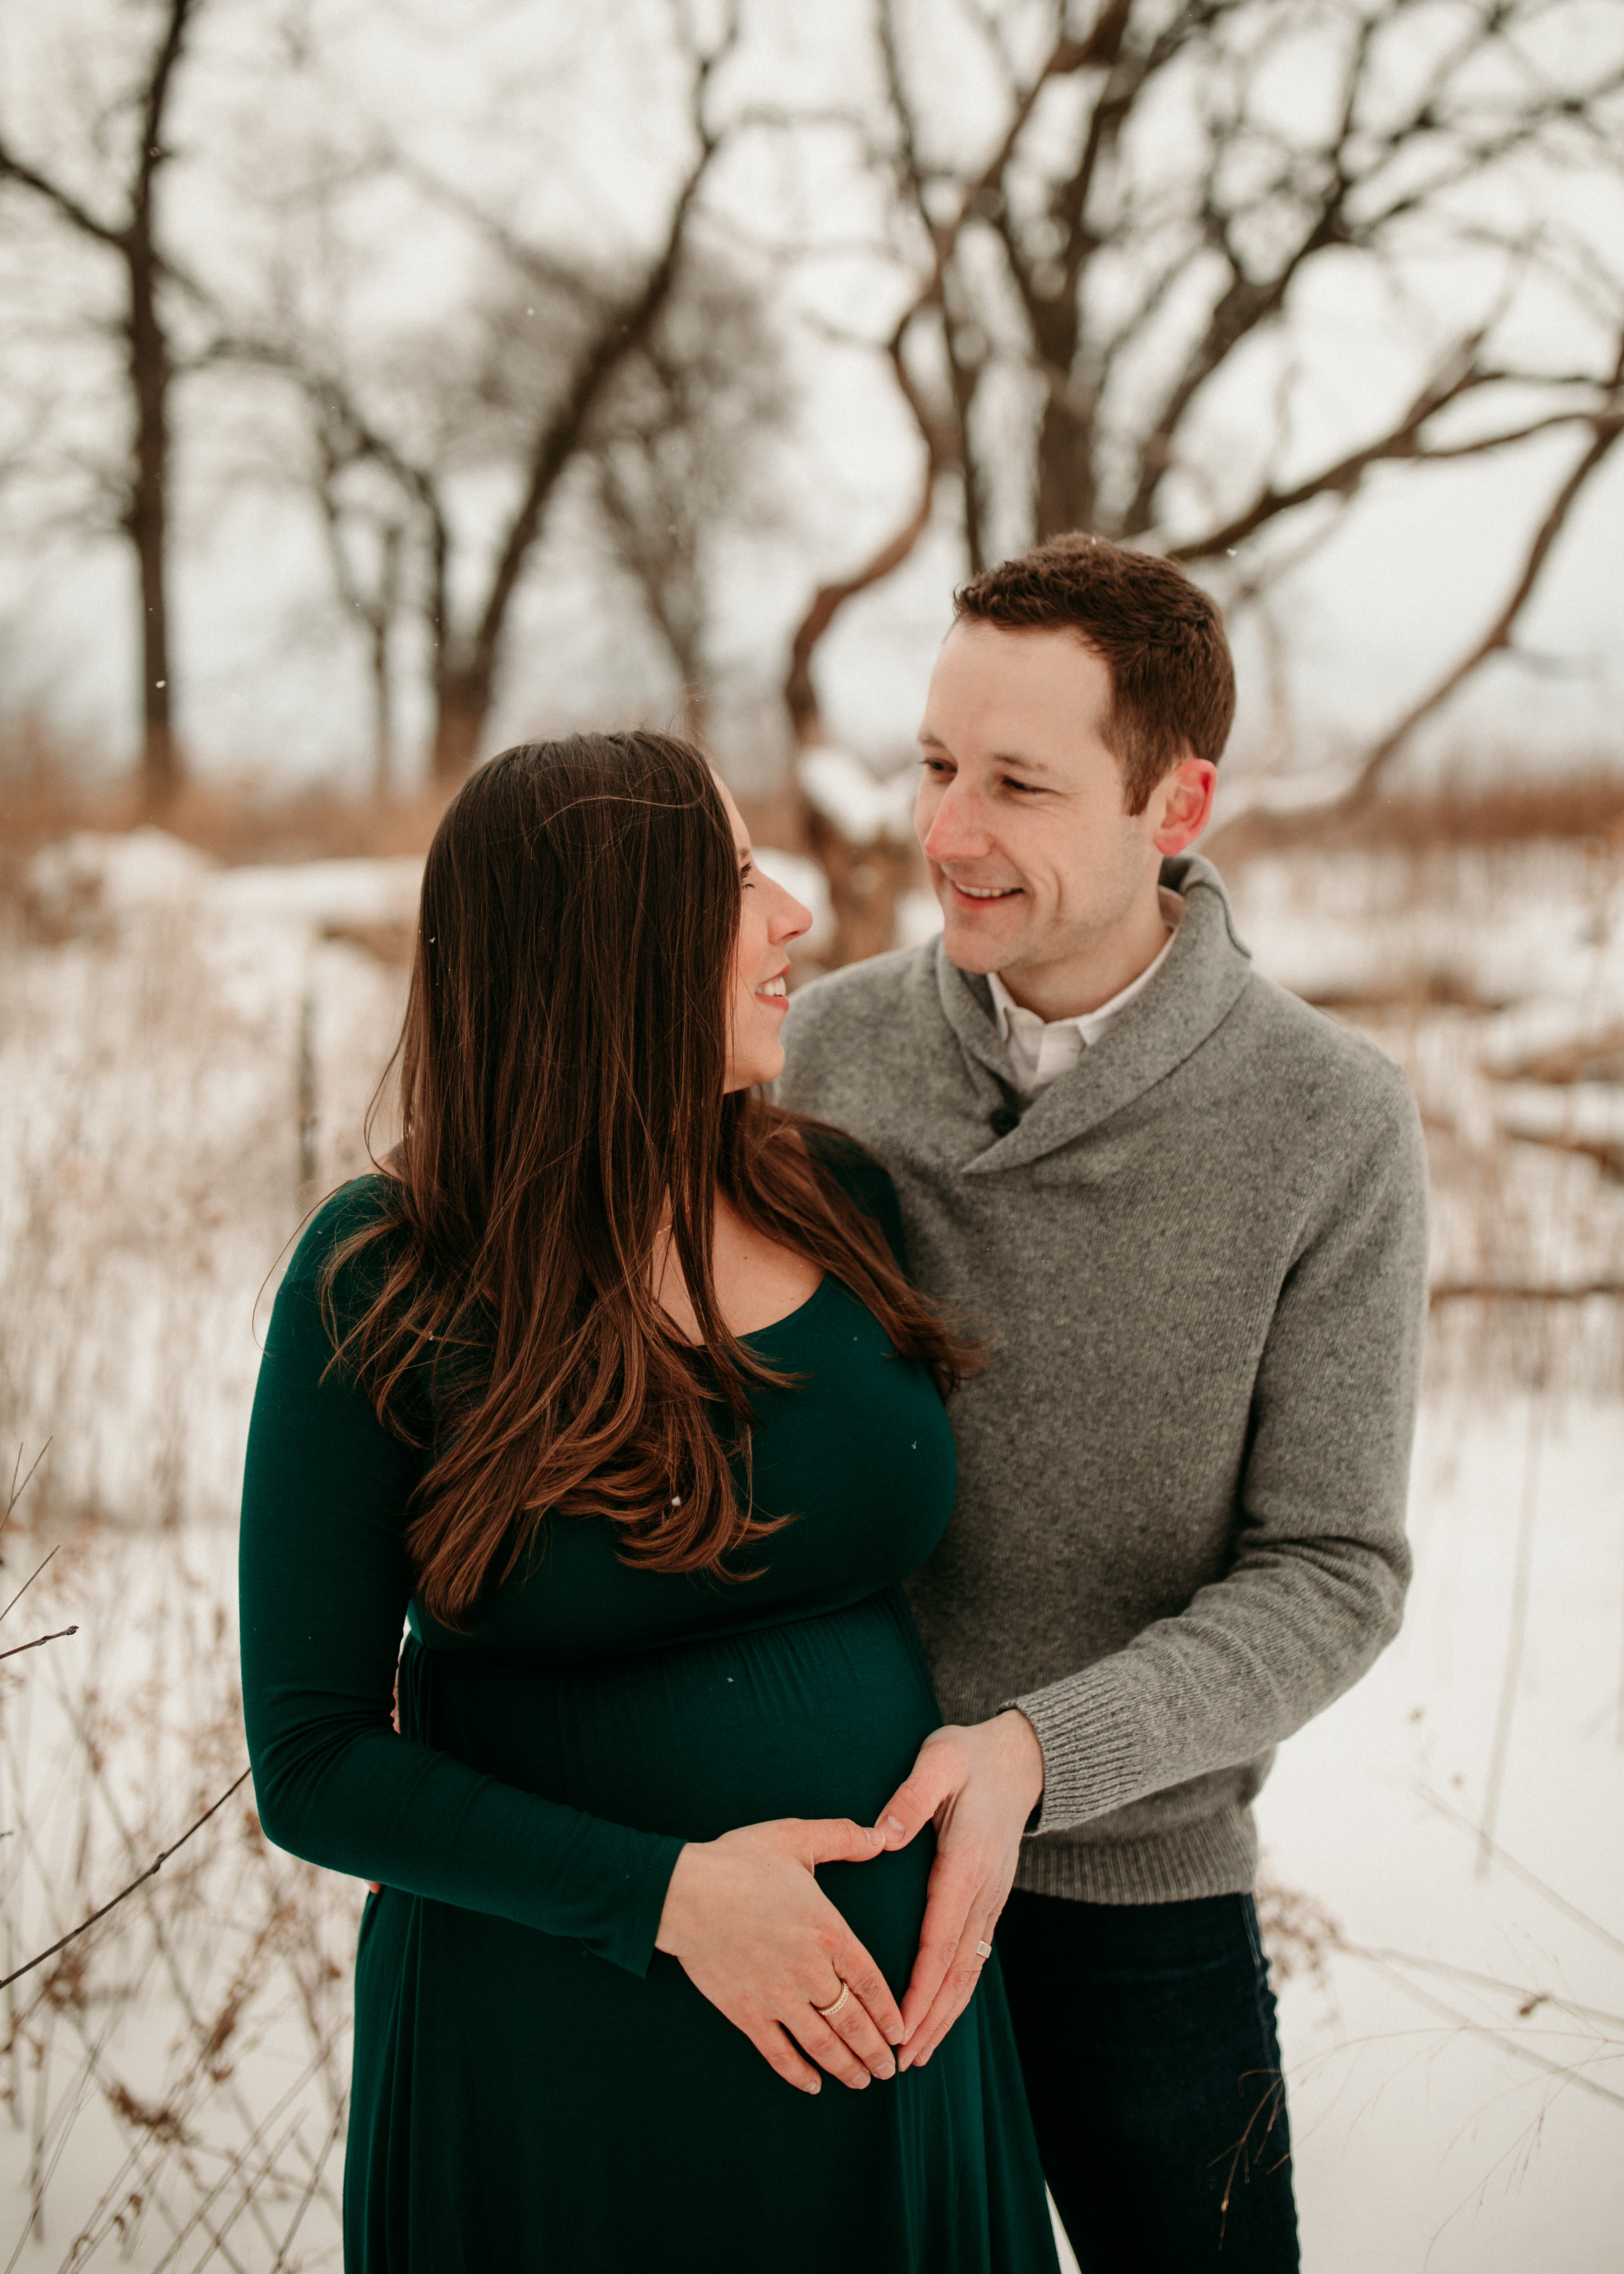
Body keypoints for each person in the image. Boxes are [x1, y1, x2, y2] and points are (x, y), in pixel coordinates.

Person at [238, 732, 1060, 2274]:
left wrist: (1020, 1760)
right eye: (738, 880)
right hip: (564, 2069)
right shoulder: (385, 1276)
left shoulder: (833, 1193)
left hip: (893, 2053)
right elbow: (315, 1760)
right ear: (611, 938)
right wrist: (669, 1896)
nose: (793, 919)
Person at [777, 533, 1430, 2272]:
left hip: (1133, 1904)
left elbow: (1331, 1567)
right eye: (931, 765)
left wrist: (1044, 1754)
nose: (946, 831)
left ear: (1175, 803)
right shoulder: (815, 1059)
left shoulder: (1325, 1121)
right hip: (819, 1872)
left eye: (1015, 783)